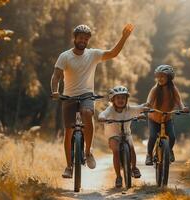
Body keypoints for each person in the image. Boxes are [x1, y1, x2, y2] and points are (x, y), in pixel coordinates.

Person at [50, 24, 134, 178]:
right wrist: (55, 91)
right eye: (81, 38)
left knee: (87, 112)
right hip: (68, 96)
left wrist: (124, 37)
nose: (83, 41)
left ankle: (88, 151)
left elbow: (113, 53)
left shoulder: (93, 54)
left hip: (87, 95)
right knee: (68, 131)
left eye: (86, 39)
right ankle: (69, 166)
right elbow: (56, 76)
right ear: (74, 38)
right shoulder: (65, 56)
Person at [98, 86, 145, 188]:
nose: (120, 100)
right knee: (116, 151)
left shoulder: (129, 109)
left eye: (123, 98)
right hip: (113, 135)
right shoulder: (110, 109)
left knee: (132, 148)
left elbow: (140, 108)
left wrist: (144, 111)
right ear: (113, 100)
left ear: (126, 99)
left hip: (126, 133)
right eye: (118, 98)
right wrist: (102, 117)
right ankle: (119, 177)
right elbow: (103, 114)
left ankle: (134, 168)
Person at [144, 65, 189, 165]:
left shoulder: (173, 89)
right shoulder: (155, 89)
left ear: (169, 77)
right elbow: (149, 101)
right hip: (154, 119)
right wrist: (147, 106)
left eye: (162, 76)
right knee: (152, 137)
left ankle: (169, 150)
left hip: (167, 118)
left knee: (172, 137)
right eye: (158, 76)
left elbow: (179, 101)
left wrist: (183, 108)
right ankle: (149, 155)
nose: (160, 79)